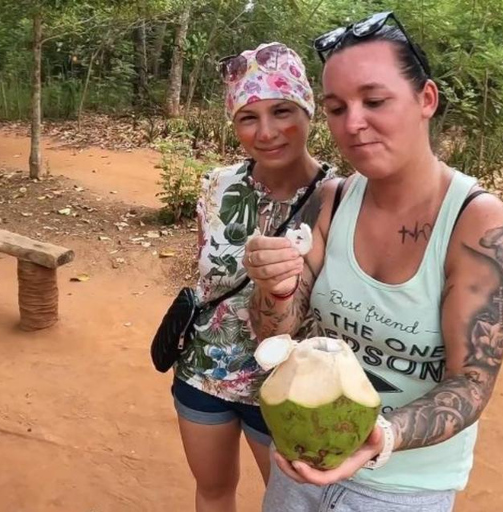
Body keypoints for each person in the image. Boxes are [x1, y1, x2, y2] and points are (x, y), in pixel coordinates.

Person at [243, 12, 503, 511]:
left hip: (403, 490)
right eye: (335, 107)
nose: (353, 123)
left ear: (426, 100)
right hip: (304, 462)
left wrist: (382, 437)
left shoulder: (477, 225)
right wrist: (276, 289)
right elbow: (273, 338)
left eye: (374, 101)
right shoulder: (329, 199)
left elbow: (472, 383)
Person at [171, 42, 336, 512]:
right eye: (248, 117)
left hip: (289, 386)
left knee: (291, 504)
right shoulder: (216, 186)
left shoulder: (340, 196)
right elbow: (208, 275)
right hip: (205, 371)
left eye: (282, 110)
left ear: (308, 111)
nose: (266, 132)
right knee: (213, 490)